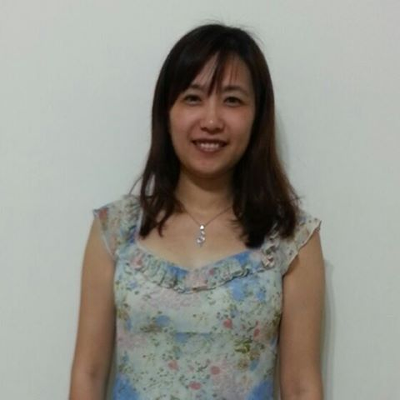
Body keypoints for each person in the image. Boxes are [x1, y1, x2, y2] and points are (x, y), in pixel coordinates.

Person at [69, 23, 325, 400]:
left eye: (232, 100)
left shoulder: (291, 237)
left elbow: (302, 386)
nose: (211, 120)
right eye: (193, 98)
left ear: (257, 116)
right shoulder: (116, 229)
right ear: (166, 111)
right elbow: (88, 375)